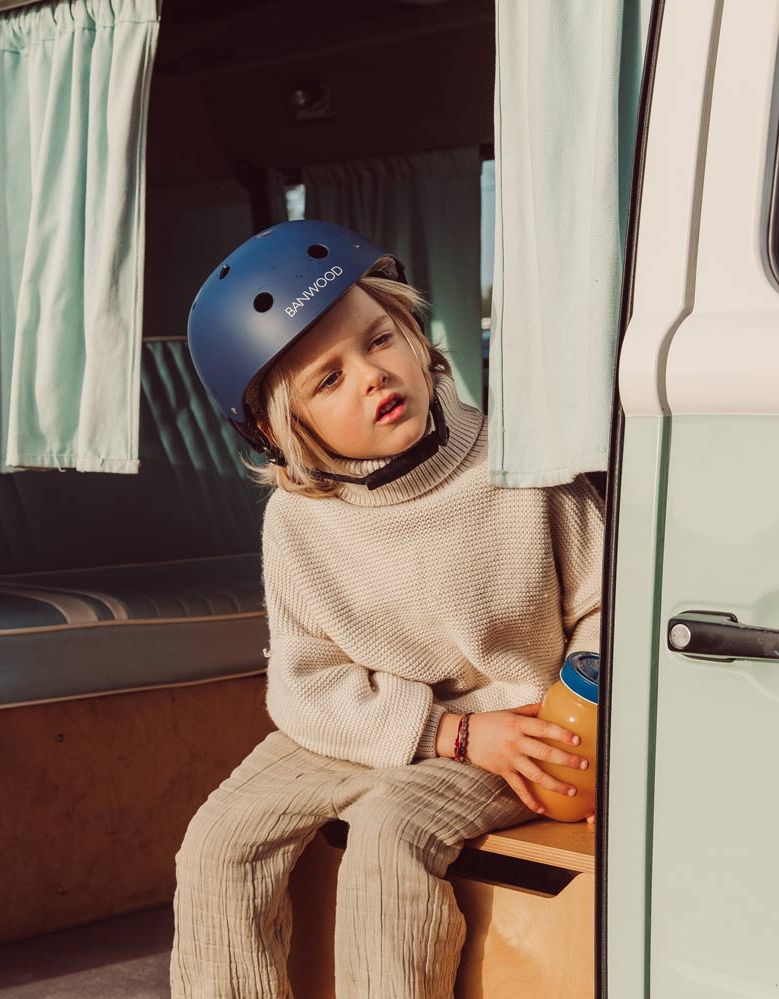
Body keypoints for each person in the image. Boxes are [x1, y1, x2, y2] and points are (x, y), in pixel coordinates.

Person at [171, 220, 604, 999]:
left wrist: (567, 708)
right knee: (217, 843)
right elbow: (305, 685)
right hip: (374, 720)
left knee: (388, 835)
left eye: (379, 340)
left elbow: (606, 605)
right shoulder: (298, 523)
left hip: (513, 723)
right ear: (279, 428)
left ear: (415, 333)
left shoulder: (522, 462)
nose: (373, 376)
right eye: (327, 381)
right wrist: (441, 730)